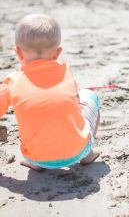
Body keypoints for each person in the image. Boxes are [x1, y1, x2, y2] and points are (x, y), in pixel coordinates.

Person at [0, 14, 100, 171]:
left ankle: (36, 164)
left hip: (35, 157)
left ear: (18, 52)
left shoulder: (11, 81)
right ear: (57, 53)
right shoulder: (66, 72)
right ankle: (88, 154)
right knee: (89, 95)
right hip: (77, 153)